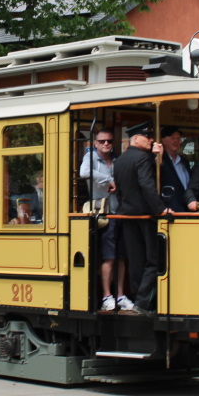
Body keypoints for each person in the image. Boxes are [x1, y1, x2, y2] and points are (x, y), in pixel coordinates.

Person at [112, 122, 171, 314]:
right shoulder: (143, 159)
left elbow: (119, 190)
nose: (151, 140)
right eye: (147, 137)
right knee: (153, 259)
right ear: (135, 138)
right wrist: (161, 210)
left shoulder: (119, 161)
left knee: (135, 259)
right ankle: (143, 303)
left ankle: (138, 298)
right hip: (145, 215)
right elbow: (147, 187)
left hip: (127, 214)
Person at [80, 128, 130, 312]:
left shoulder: (117, 160)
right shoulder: (91, 158)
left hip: (119, 212)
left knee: (121, 258)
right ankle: (106, 296)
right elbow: (84, 172)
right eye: (102, 141)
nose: (106, 144)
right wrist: (109, 179)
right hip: (104, 213)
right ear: (95, 143)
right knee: (109, 257)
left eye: (109, 141)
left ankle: (121, 295)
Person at [158, 125, 192, 212]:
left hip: (186, 208)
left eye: (178, 138)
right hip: (169, 209)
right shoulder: (159, 160)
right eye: (173, 138)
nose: (176, 141)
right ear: (164, 141)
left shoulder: (184, 162)